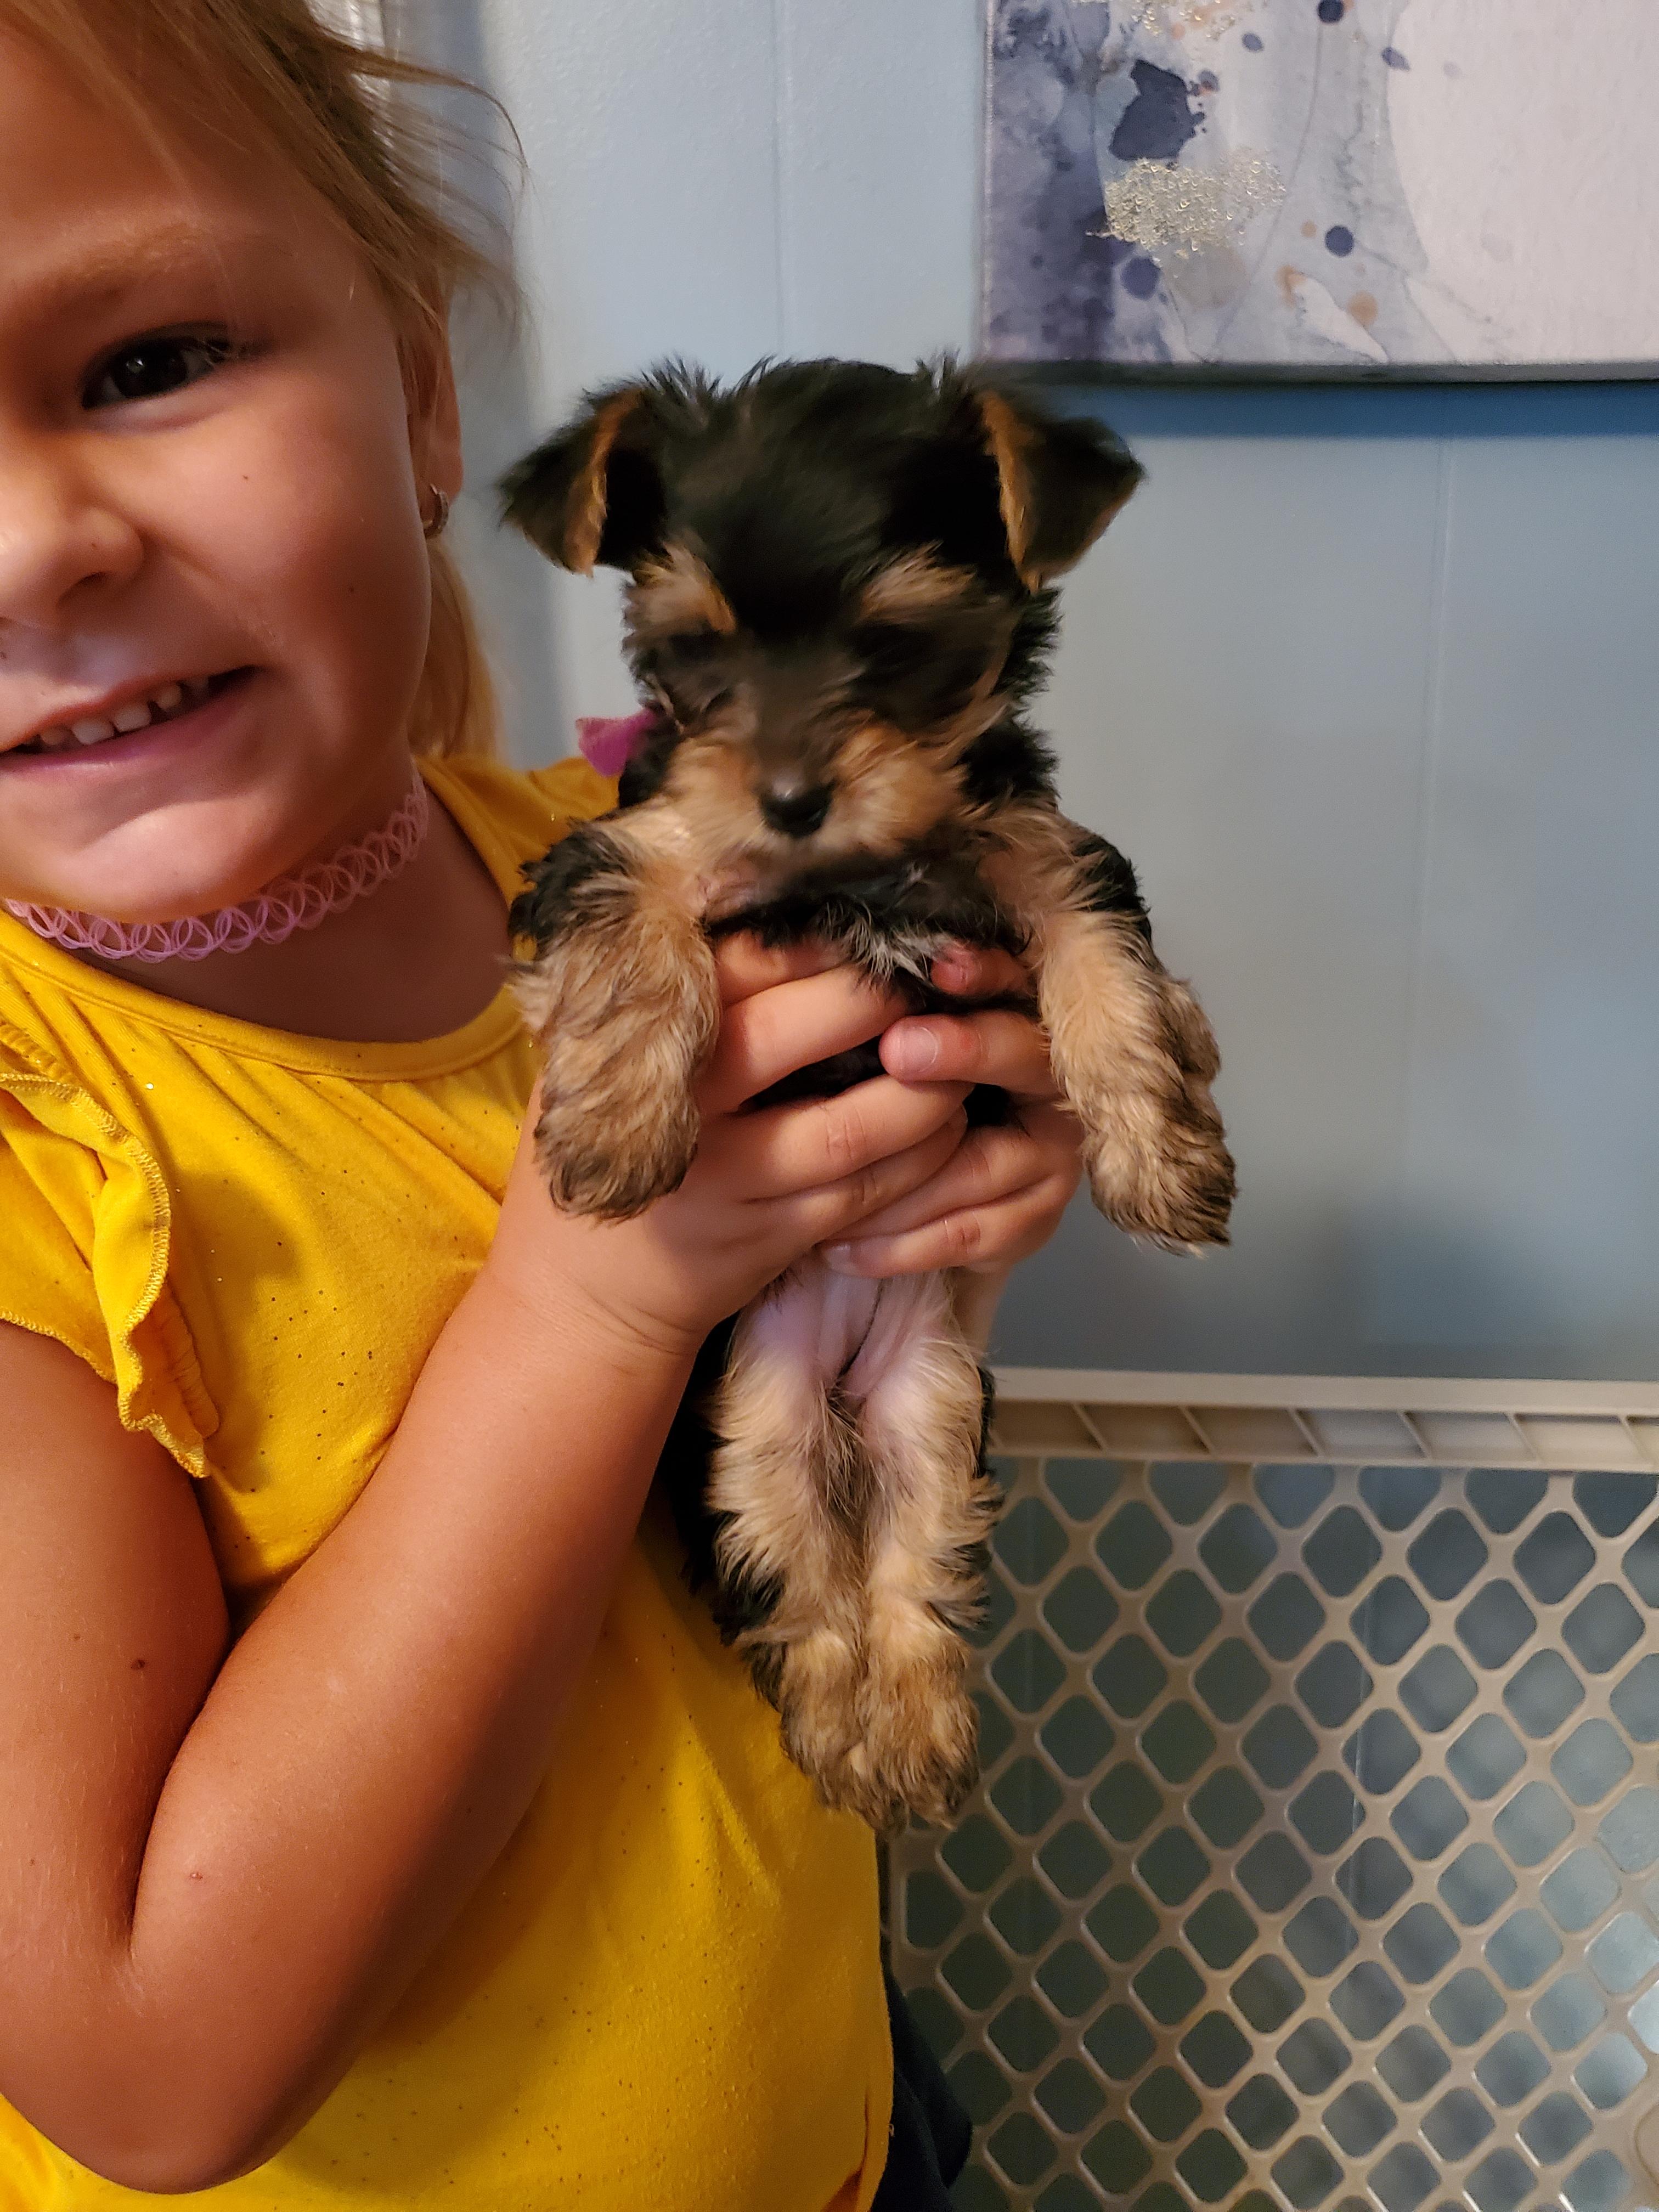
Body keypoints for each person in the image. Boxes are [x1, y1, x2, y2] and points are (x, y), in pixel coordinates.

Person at [0, 4, 1085, 2204]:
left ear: (418, 389)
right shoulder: (40, 1132)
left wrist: (929, 1186)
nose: (37, 545)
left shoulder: (621, 865)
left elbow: (768, 1467)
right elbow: (144, 2067)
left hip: (848, 2132)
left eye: (148, 362)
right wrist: (598, 1299)